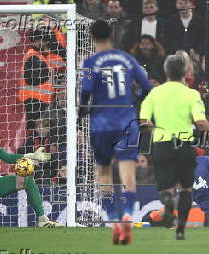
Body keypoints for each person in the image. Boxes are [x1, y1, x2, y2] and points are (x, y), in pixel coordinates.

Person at [79, 20, 152, 245]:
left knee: (104, 172)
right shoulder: (128, 59)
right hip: (127, 122)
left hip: (101, 124)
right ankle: (128, 215)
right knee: (128, 176)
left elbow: (86, 90)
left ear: (91, 37)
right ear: (112, 35)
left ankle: (112, 220)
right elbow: (147, 87)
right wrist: (134, 101)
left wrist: (83, 110)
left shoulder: (90, 62)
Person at [140, 54, 209, 240]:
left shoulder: (155, 93)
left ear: (166, 72)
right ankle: (180, 229)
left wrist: (156, 130)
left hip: (162, 144)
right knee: (186, 189)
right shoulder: (191, 94)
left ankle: (168, 204)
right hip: (184, 145)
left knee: (165, 188)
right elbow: (201, 122)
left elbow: (143, 120)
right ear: (184, 72)